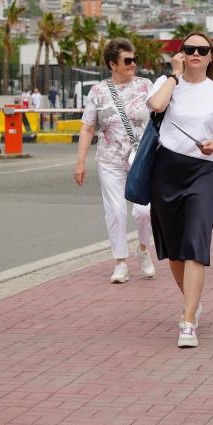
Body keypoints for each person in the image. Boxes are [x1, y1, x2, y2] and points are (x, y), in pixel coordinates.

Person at [147, 32, 213, 348]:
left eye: (202, 50)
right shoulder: (168, 84)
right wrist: (174, 76)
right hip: (166, 171)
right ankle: (192, 301)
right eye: (190, 49)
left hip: (202, 173)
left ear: (211, 56)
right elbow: (155, 105)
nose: (196, 54)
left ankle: (188, 322)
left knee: (196, 244)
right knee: (174, 251)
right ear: (182, 54)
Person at [75, 38, 156, 283]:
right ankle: (120, 262)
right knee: (116, 211)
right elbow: (88, 128)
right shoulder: (98, 91)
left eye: (135, 60)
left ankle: (143, 249)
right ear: (113, 64)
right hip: (109, 159)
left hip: (141, 157)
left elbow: (160, 118)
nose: (133, 65)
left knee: (144, 211)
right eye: (127, 60)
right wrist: (80, 162)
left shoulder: (146, 86)